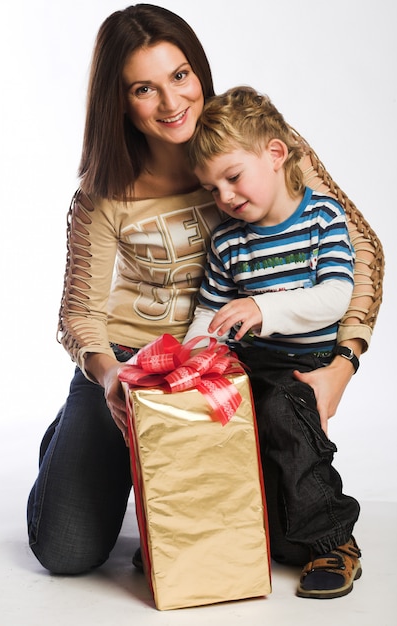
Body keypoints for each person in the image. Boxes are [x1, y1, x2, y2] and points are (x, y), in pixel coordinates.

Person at [27, 3, 383, 599]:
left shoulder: (257, 146)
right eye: (144, 88)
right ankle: (75, 431)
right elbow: (77, 314)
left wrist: (342, 365)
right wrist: (109, 374)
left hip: (229, 359)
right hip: (128, 361)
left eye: (180, 75)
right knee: (67, 553)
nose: (171, 104)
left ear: (199, 72)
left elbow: (360, 250)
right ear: (120, 101)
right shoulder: (101, 192)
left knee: (269, 530)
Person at [184, 85, 362, 598]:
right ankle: (201, 536)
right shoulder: (228, 240)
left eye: (233, 177)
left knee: (286, 419)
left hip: (302, 365)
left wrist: (265, 309)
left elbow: (335, 295)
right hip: (248, 363)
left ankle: (333, 541)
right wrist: (199, 353)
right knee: (219, 425)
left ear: (276, 154)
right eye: (212, 188)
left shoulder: (320, 218)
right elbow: (210, 311)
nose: (225, 197)